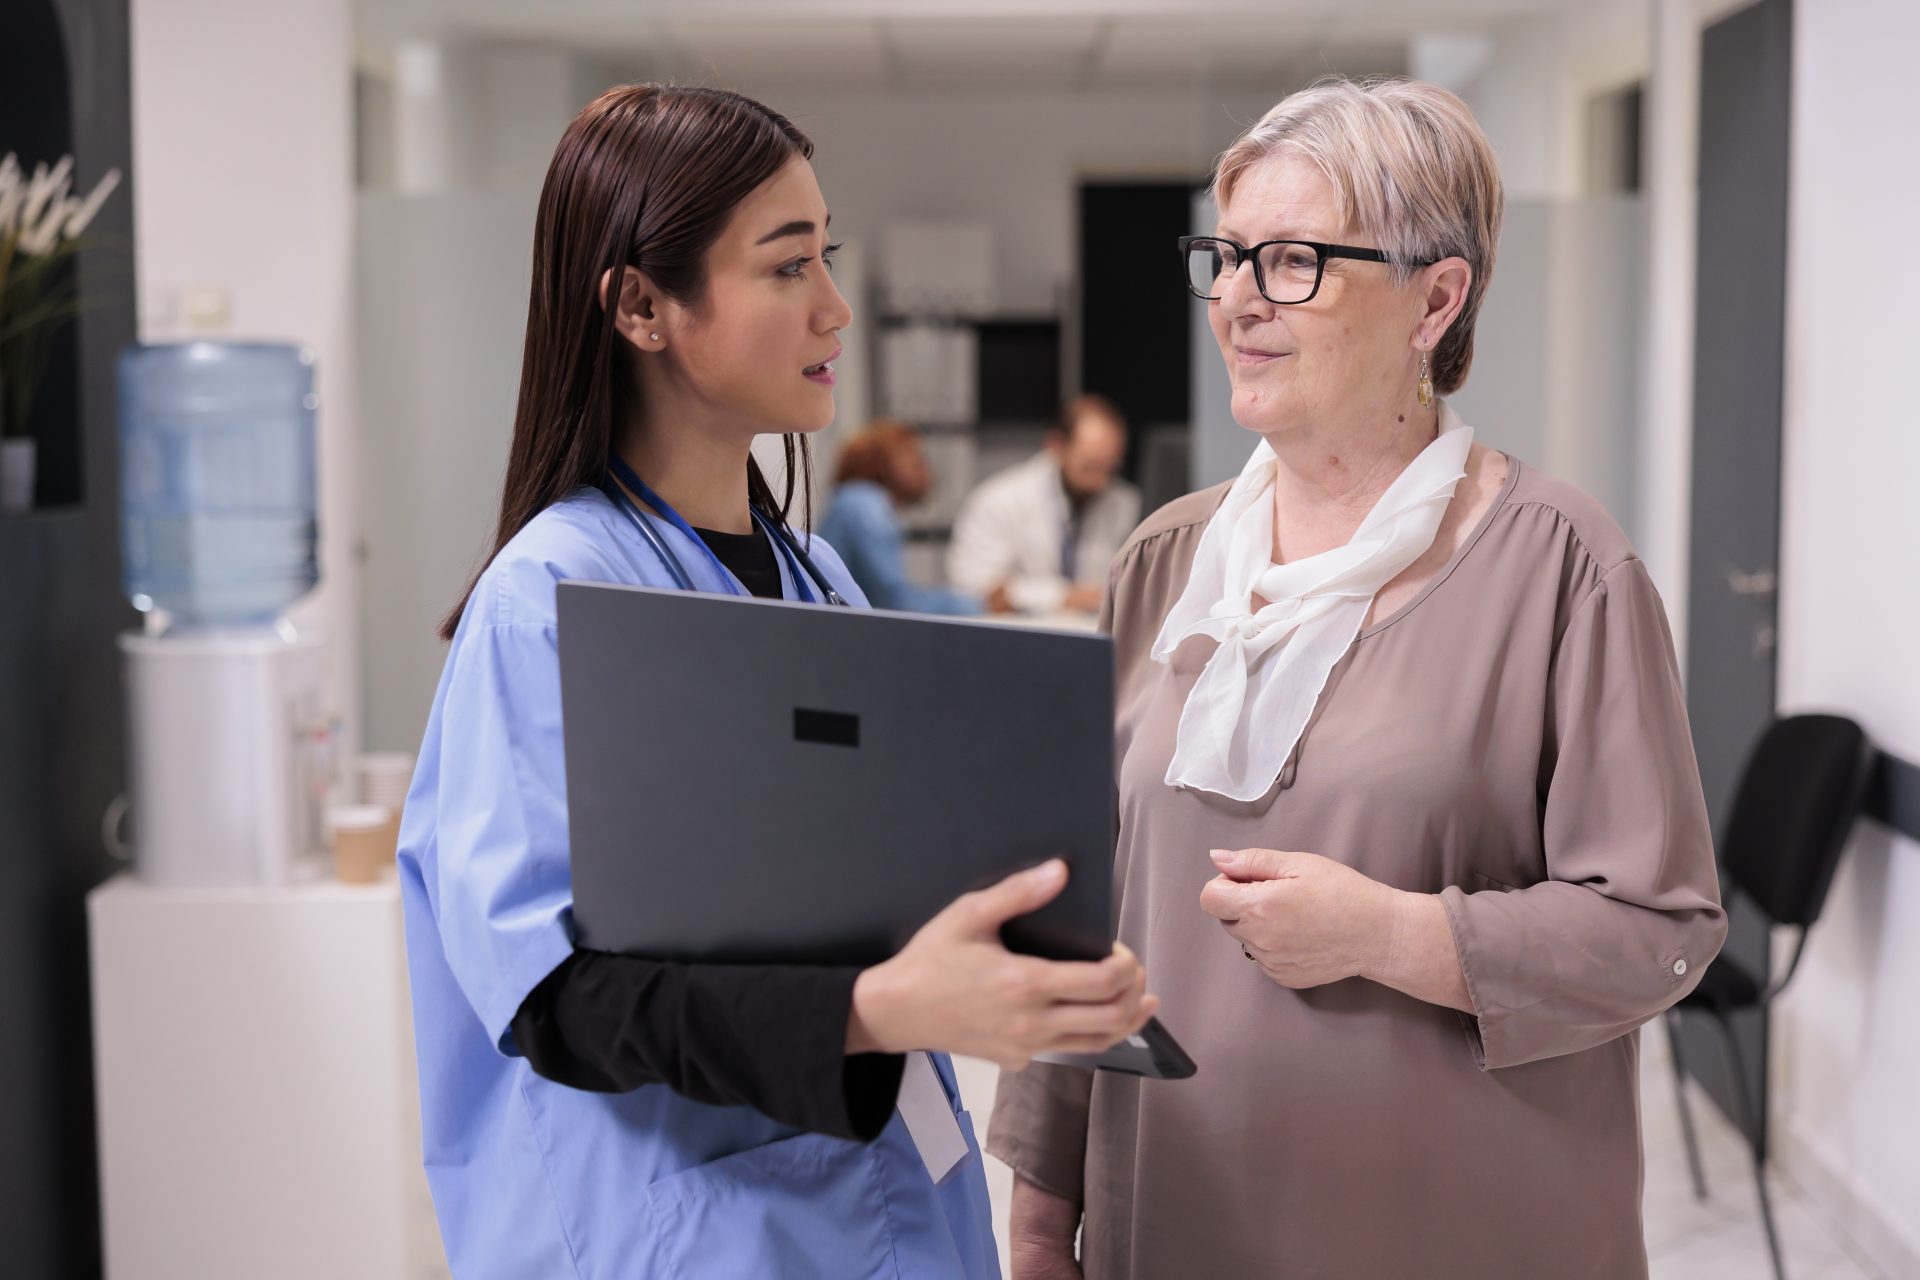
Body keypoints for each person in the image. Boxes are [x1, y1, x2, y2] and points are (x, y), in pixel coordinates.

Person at [395, 84, 1156, 1280]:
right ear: (642, 305)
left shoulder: (817, 578)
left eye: (829, 258)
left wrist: (1031, 956)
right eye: (789, 267)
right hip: (695, 1235)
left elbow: (869, 899)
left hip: (902, 1209)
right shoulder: (549, 596)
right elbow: (560, 996)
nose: (837, 309)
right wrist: (882, 1010)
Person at [989, 77, 1727, 1279]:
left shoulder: (1563, 567)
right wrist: (1035, 1216)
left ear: (1437, 297)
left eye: (1291, 261)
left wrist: (1396, 931)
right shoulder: (1168, 562)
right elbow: (1078, 910)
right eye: (1225, 256)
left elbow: (1662, 930)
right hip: (1170, 1216)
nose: (1234, 300)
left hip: (1453, 1230)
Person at [947, 395, 1140, 615]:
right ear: (1056, 446)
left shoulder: (1122, 501)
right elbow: (977, 589)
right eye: (1090, 467)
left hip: (1093, 637)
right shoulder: (998, 500)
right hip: (1014, 639)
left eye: (1110, 468)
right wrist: (1063, 596)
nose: (1100, 482)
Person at [818, 418, 980, 613]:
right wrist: (979, 604)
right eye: (914, 457)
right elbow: (893, 601)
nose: (924, 467)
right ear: (882, 462)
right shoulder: (866, 505)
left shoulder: (854, 501)